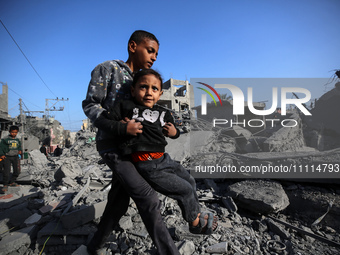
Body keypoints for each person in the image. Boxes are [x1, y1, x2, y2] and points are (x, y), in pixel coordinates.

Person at [82, 30, 179, 255]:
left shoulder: (144, 80)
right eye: (150, 50)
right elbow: (91, 105)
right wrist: (119, 126)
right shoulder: (108, 69)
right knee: (148, 197)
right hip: (113, 146)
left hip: (133, 148)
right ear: (133, 47)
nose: (154, 57)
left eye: (156, 53)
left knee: (118, 201)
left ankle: (94, 246)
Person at [106, 69, 218, 234]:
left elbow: (175, 132)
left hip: (164, 159)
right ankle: (194, 223)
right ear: (133, 90)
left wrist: (174, 132)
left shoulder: (164, 112)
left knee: (190, 181)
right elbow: (108, 121)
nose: (149, 92)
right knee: (184, 190)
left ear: (160, 94)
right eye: (143, 87)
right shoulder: (126, 107)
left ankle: (197, 212)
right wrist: (122, 125)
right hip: (147, 164)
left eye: (154, 89)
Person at [0, 125, 22, 192]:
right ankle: (5, 184)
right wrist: (2, 154)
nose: (14, 134)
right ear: (9, 132)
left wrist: (20, 150)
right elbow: (1, 147)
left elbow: (19, 146)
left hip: (15, 156)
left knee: (17, 171)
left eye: (15, 132)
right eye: (12, 132)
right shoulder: (5, 139)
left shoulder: (17, 139)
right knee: (6, 171)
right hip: (7, 157)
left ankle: (12, 182)